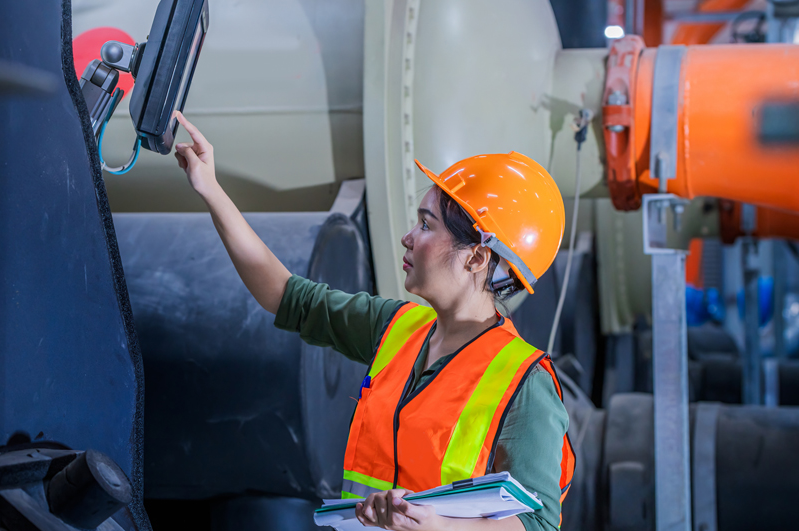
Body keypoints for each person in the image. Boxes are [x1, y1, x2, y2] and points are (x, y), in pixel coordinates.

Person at [171, 110, 574, 531]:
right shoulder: (396, 328)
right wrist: (210, 188)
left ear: (476, 256)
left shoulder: (526, 384)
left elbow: (539, 525)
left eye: (426, 224)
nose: (408, 236)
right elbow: (284, 294)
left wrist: (437, 526)